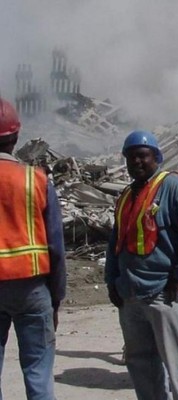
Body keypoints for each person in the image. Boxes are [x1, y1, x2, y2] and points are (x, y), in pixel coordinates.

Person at [105, 130, 178, 400]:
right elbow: (116, 241)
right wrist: (111, 280)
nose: (136, 162)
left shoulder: (173, 187)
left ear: (156, 157)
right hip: (130, 294)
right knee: (140, 362)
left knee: (177, 364)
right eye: (130, 157)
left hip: (163, 293)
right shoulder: (127, 195)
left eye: (143, 156)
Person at [0, 98, 66, 399]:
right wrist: (56, 297)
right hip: (31, 289)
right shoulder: (36, 180)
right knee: (38, 374)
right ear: (16, 138)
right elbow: (55, 245)